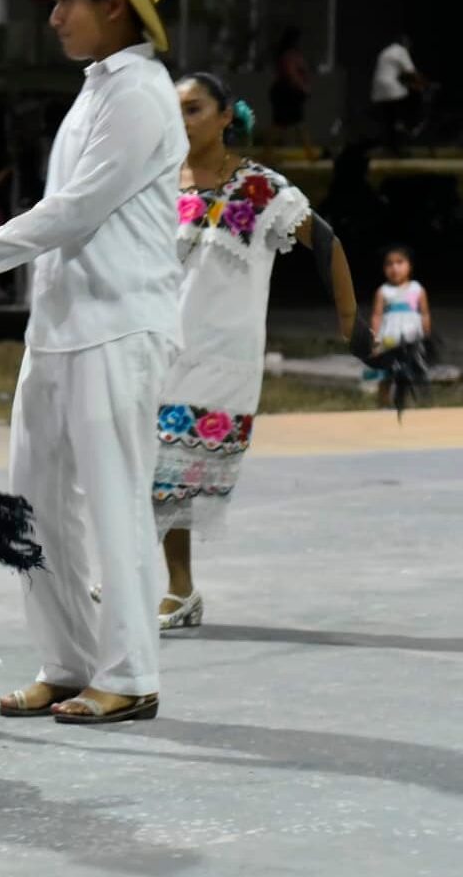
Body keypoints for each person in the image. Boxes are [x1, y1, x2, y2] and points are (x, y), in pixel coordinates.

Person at [0, 0, 188, 725]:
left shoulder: (143, 94)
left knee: (112, 496)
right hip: (64, 323)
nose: (53, 16)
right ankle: (69, 660)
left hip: (120, 324)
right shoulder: (97, 85)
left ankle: (130, 673)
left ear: (116, 5)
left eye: (67, 1)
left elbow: (73, 212)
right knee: (38, 495)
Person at [153, 75, 358, 629]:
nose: (183, 120)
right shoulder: (156, 184)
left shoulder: (262, 190)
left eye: (195, 109)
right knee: (143, 466)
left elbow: (326, 242)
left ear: (226, 116)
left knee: (167, 473)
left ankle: (174, 589)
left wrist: (349, 321)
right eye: (175, 110)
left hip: (222, 357)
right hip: (156, 346)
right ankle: (173, 587)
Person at [370, 245, 431, 408]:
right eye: (389, 264)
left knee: (409, 373)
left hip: (411, 339)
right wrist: (375, 339)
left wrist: (426, 333)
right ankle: (383, 403)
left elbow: (424, 313)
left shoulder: (417, 289)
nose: (394, 268)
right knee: (387, 374)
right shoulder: (383, 291)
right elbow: (377, 315)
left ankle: (407, 405)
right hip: (390, 339)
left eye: (399, 262)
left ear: (409, 265)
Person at [369, 33, 428, 150]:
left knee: (389, 119)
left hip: (378, 91)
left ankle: (390, 145)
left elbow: (393, 74)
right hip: (392, 90)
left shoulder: (386, 51)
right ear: (404, 43)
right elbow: (412, 72)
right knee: (406, 110)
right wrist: (424, 83)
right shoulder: (401, 51)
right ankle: (409, 128)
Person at [267, 27, 313, 150]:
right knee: (291, 123)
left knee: (285, 123)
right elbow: (292, 74)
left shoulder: (289, 54)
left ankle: (267, 152)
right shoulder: (289, 55)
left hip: (286, 91)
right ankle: (309, 152)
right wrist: (303, 87)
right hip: (287, 92)